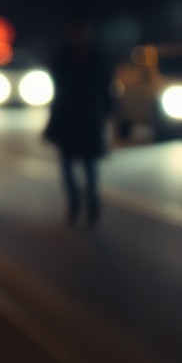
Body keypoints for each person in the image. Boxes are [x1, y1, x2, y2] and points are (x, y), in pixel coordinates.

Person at [43, 18, 111, 225]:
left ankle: (91, 202)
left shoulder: (96, 56)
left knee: (89, 165)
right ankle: (74, 201)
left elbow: (105, 87)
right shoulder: (63, 56)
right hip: (68, 116)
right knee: (67, 164)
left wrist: (105, 111)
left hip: (89, 117)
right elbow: (56, 83)